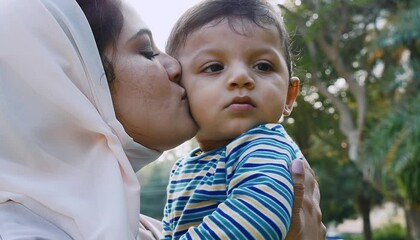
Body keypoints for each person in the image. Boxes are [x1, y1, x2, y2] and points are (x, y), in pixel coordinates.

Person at [0, 0, 325, 239]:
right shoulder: (24, 231)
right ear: (75, 84)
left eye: (264, 66)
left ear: (289, 94)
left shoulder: (135, 226)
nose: (174, 68)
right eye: (147, 52)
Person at [161, 0, 318, 239]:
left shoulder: (264, 146)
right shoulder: (182, 169)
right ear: (178, 91)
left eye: (263, 66)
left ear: (289, 95)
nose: (241, 77)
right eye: (214, 67)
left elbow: (258, 216)